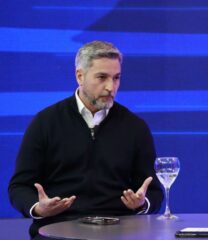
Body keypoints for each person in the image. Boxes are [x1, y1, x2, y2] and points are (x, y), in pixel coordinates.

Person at [8, 41, 163, 239]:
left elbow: (154, 193)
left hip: (119, 231)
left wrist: (142, 204)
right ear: (79, 76)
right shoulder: (45, 122)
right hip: (58, 229)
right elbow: (19, 187)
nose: (111, 87)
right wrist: (39, 208)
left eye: (116, 78)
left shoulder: (135, 127)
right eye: (102, 77)